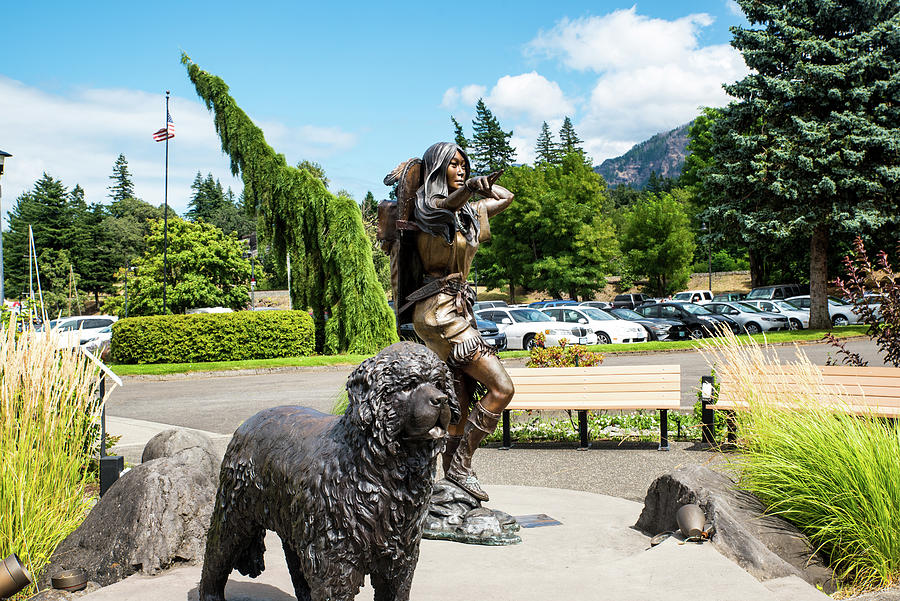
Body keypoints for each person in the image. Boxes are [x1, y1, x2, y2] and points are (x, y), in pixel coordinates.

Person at [401, 142, 515, 501]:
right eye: (453, 165)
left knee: (461, 397)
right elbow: (444, 206)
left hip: (459, 310)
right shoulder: (426, 208)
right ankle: (462, 465)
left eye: (465, 164)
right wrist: (468, 187)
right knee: (502, 388)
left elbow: (506, 196)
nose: (461, 169)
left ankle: (450, 476)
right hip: (437, 313)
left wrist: (481, 185)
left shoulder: (468, 213)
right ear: (437, 170)